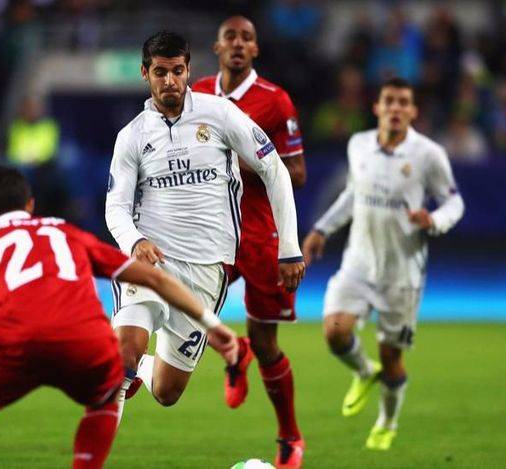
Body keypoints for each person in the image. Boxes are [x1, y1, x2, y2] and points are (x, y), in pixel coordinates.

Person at [0, 166, 238, 469]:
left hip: (13, 343)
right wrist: (213, 325)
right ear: (30, 205)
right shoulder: (65, 231)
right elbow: (154, 277)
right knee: (108, 395)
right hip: (85, 341)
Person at [105, 31, 306, 421]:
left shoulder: (219, 114)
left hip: (206, 271)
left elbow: (274, 170)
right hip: (150, 263)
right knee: (122, 357)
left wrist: (290, 249)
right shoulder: (131, 137)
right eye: (160, 72)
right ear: (145, 73)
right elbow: (115, 206)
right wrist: (135, 240)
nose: (170, 82)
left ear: (187, 70)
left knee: (166, 391)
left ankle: (144, 369)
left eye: (177, 71)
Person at [302, 77, 465, 450]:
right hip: (358, 264)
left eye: (402, 102)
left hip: (402, 272)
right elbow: (352, 195)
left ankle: (387, 422)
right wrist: (321, 230)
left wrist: (435, 220)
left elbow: (454, 201)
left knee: (392, 357)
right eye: (388, 101)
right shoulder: (358, 144)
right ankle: (363, 371)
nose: (395, 108)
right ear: (376, 108)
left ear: (412, 111)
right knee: (334, 332)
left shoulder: (428, 154)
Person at [192, 15, 307, 468]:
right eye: (230, 38)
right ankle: (230, 349)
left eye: (246, 38)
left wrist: (239, 161)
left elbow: (295, 174)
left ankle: (290, 436)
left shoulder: (275, 102)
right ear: (216, 48)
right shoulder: (195, 92)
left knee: (265, 341)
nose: (238, 44)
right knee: (183, 311)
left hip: (259, 234)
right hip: (205, 231)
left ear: (255, 50)